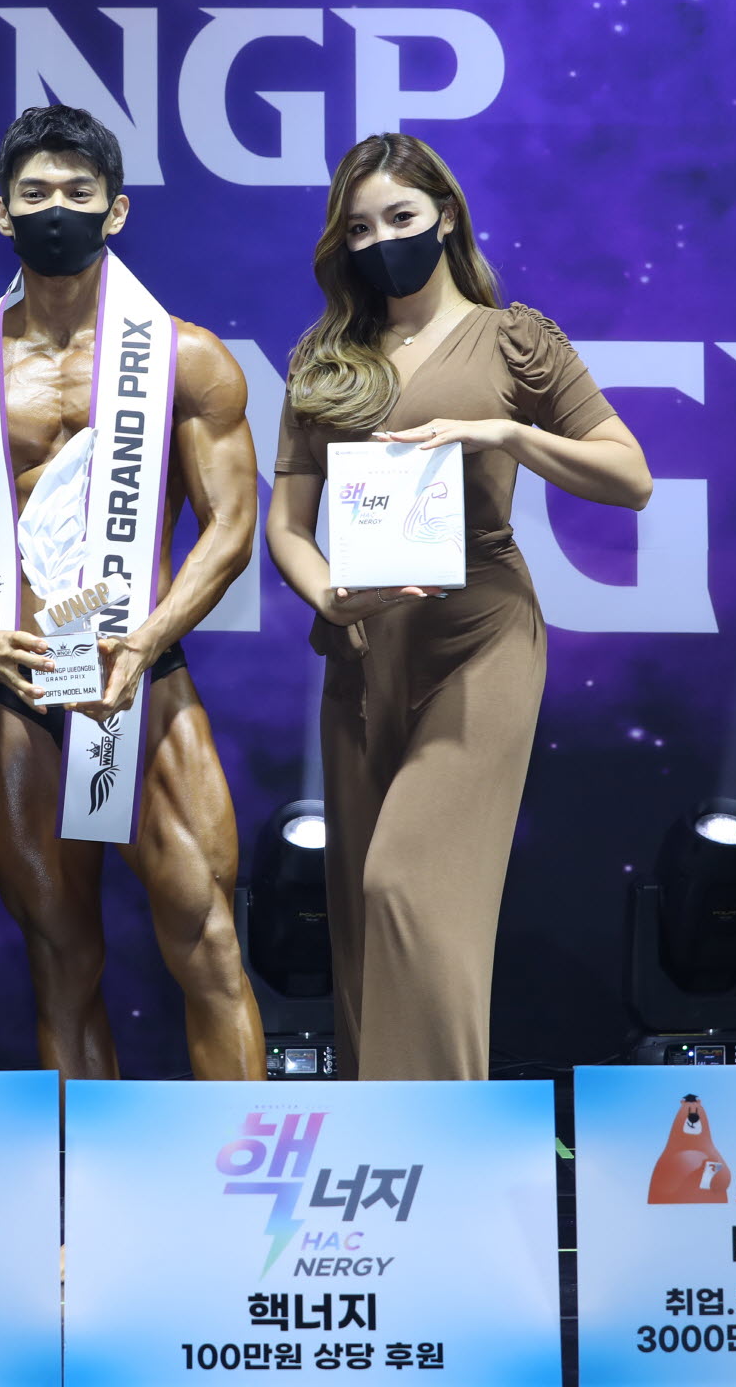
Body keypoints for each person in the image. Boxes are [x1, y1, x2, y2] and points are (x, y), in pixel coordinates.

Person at [0, 105, 265, 1080]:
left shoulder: (185, 358)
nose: (55, 207)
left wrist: (146, 639)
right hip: (15, 686)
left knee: (207, 942)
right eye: (35, 193)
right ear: (2, 213)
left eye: (77, 192)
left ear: (115, 209)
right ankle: (83, 1169)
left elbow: (230, 525)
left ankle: (236, 1161)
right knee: (61, 960)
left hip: (136, 680)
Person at [264, 133, 653, 1080]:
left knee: (406, 887)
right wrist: (330, 596)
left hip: (479, 635)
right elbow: (287, 526)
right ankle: (386, 1137)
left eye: (399, 217)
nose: (381, 242)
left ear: (445, 216)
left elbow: (630, 477)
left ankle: (449, 1132)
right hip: (362, 647)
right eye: (360, 229)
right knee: (360, 920)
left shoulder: (514, 339)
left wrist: (506, 433)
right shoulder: (324, 359)